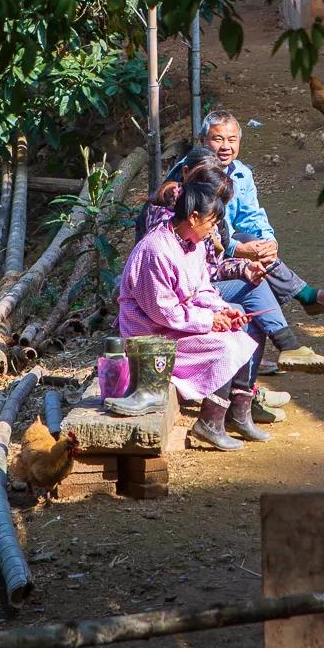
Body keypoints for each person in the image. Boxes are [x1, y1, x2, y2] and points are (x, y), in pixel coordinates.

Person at [112, 165, 268, 449]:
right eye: (211, 222)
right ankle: (209, 424)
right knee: (226, 346)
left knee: (241, 334)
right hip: (149, 338)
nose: (213, 230)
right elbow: (164, 311)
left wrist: (222, 310)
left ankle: (231, 415)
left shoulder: (191, 243)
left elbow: (202, 289)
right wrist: (210, 321)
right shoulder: (156, 250)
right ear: (194, 217)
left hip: (174, 325)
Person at [196, 109, 324, 372]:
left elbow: (252, 215)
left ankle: (265, 358)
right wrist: (237, 248)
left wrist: (268, 242)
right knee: (251, 274)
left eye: (232, 139)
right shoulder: (194, 174)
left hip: (222, 253)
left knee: (254, 245)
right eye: (218, 139)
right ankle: (303, 300)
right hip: (198, 260)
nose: (226, 146)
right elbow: (206, 230)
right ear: (202, 141)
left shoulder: (240, 173)